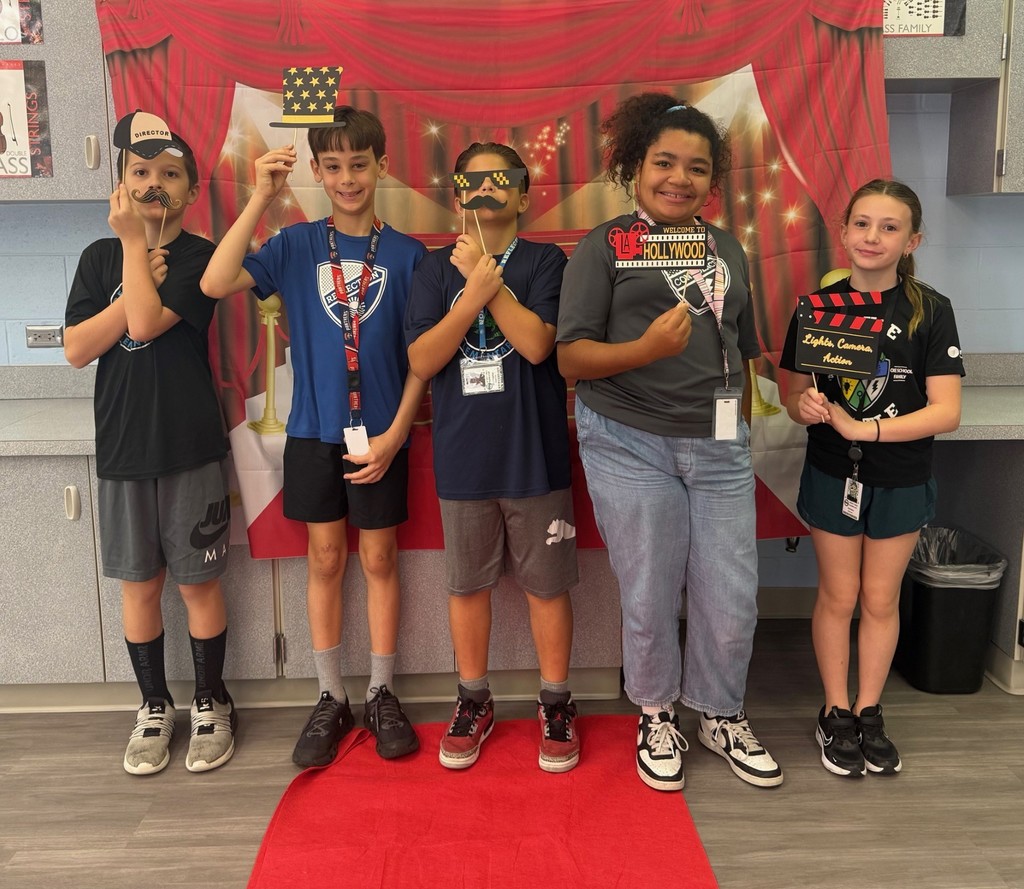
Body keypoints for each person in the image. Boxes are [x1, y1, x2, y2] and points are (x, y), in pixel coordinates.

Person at [557, 93, 783, 791]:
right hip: (628, 440)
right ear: (635, 166)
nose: (679, 178)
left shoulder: (728, 249)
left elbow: (741, 350)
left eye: (696, 167)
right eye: (664, 163)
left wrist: (738, 427)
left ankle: (717, 711)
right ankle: (656, 712)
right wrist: (644, 348)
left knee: (732, 590)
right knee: (650, 588)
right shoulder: (605, 246)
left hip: (717, 443)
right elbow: (570, 359)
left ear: (713, 181)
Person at [201, 107, 426, 767]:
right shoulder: (297, 245)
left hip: (379, 435)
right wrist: (260, 198)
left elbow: (422, 359)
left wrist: (396, 433)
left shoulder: (409, 256)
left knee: (380, 560)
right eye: (334, 166)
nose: (348, 177)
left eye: (360, 163)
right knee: (325, 561)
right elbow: (215, 282)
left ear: (381, 165)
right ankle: (331, 694)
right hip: (311, 433)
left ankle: (382, 690)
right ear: (320, 172)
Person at [64, 130, 236, 775]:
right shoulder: (98, 257)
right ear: (121, 184)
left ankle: (212, 702)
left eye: (169, 174)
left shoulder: (200, 258)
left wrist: (138, 248)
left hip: (189, 445)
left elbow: (143, 325)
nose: (152, 184)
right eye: (140, 172)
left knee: (198, 584)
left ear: (191, 190)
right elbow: (77, 349)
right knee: (139, 585)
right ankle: (155, 705)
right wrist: (131, 260)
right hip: (123, 449)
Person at [780, 179, 963, 778]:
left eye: (889, 227)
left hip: (902, 474)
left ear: (913, 240)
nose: (872, 237)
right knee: (839, 595)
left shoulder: (930, 310)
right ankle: (835, 711)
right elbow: (793, 391)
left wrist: (870, 432)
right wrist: (802, 405)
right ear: (843, 230)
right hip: (834, 472)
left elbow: (946, 411)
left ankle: (869, 709)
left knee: (881, 598)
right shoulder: (816, 309)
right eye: (862, 223)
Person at [405, 142, 579, 772]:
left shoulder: (545, 261)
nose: (484, 191)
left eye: (499, 180)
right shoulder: (431, 270)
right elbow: (423, 361)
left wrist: (488, 279)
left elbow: (538, 347)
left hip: (535, 457)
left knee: (547, 586)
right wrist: (468, 291)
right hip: (463, 458)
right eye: (471, 182)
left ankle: (557, 701)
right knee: (467, 585)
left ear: (523, 194)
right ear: (456, 195)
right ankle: (473, 698)